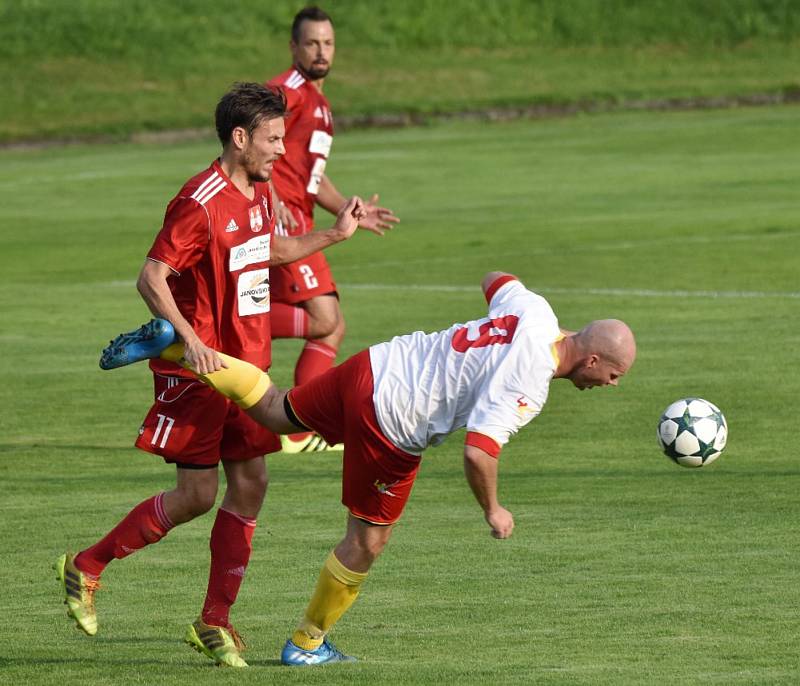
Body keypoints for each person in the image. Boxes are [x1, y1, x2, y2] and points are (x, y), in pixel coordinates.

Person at [100, 271, 637, 666]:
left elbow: (495, 278)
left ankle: (177, 349)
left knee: (275, 410)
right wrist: (494, 509)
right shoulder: (530, 383)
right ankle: (306, 644)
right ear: (591, 361)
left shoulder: (537, 312)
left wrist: (512, 330)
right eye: (613, 376)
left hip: (377, 365)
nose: (609, 387)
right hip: (396, 421)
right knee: (367, 540)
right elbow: (478, 452)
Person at [55, 81, 369, 669]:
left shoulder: (256, 188)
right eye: (274, 139)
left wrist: (333, 234)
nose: (282, 150)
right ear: (240, 137)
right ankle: (85, 566)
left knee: (250, 487)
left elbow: (262, 251)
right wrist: (192, 339)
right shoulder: (198, 202)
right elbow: (151, 276)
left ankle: (214, 622)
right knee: (197, 495)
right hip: (202, 370)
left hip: (246, 367)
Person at [266, 6, 400, 453]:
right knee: (326, 320)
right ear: (294, 47)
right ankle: (229, 325)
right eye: (311, 43)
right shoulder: (290, 91)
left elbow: (311, 176)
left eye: (327, 43)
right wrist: (272, 197)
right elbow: (248, 125)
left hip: (300, 221)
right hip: (283, 225)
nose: (321, 51)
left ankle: (306, 429)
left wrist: (347, 207)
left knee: (331, 326)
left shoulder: (319, 103)